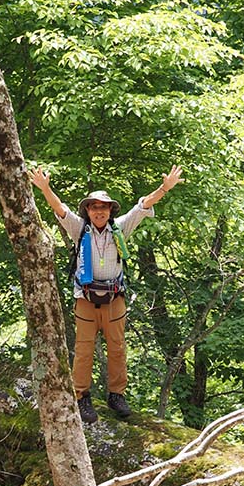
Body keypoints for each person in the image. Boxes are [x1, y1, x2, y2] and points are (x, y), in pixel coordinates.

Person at [30, 165, 184, 423]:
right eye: (94, 207)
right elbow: (60, 209)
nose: (99, 211)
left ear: (111, 210)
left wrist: (164, 188)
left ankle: (116, 395)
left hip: (115, 299)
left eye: (104, 207)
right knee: (83, 349)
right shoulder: (79, 228)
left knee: (117, 348)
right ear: (87, 211)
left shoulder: (120, 228)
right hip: (86, 299)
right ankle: (81, 396)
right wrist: (45, 188)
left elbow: (142, 206)